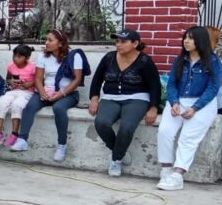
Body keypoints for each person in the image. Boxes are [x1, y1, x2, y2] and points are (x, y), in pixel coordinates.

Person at [88, 29, 161, 176]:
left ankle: (116, 159)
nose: (118, 45)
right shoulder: (108, 58)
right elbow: (97, 80)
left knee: (126, 127)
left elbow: (155, 86)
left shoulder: (144, 61)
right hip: (111, 97)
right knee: (101, 123)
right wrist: (94, 98)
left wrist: (153, 107)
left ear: (135, 43)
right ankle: (119, 151)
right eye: (117, 41)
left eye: (123, 41)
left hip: (137, 98)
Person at [157, 26, 222, 191]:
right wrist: (174, 102)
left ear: (200, 41)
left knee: (187, 139)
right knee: (165, 132)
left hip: (203, 104)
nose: (186, 41)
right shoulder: (180, 60)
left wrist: (195, 108)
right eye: (185, 37)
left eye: (191, 38)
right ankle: (166, 170)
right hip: (179, 101)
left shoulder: (213, 61)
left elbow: (213, 88)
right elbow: (171, 84)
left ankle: (178, 176)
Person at [10, 29, 86, 161]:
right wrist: (42, 92)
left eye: (50, 40)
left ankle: (62, 145)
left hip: (68, 93)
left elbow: (77, 80)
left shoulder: (74, 56)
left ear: (60, 43)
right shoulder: (43, 56)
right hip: (47, 91)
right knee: (30, 105)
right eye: (46, 39)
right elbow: (38, 79)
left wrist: (61, 94)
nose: (46, 43)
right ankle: (22, 140)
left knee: (58, 108)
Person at [0, 44, 36, 147]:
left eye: (19, 57)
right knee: (1, 102)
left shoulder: (32, 67)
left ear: (27, 58)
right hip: (13, 91)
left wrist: (30, 83)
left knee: (16, 105)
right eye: (14, 56)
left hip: (27, 92)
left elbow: (38, 80)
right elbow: (8, 79)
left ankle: (15, 133)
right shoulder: (11, 66)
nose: (15, 59)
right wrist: (10, 82)